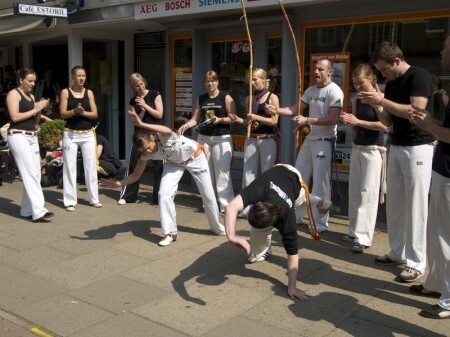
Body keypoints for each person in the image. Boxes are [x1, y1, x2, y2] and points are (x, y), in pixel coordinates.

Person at [358, 41, 435, 283]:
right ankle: (398, 251)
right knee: (396, 202)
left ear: (397, 61)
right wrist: (376, 103)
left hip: (419, 147)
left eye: (384, 69)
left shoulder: (419, 75)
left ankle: (417, 261)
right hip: (398, 145)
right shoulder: (391, 84)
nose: (382, 74)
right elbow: (388, 121)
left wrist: (381, 101)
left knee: (416, 205)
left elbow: (416, 111)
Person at [101, 109, 225, 246]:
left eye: (148, 147)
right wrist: (118, 184)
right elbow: (135, 175)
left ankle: (216, 227)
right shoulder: (145, 154)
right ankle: (170, 233)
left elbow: (164, 128)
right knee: (164, 194)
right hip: (174, 163)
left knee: (208, 196)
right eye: (143, 151)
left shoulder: (165, 136)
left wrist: (142, 123)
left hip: (196, 158)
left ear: (153, 137)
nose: (147, 152)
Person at [224, 164, 331, 301]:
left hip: (294, 179)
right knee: (255, 254)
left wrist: (292, 286)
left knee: (301, 201)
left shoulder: (287, 219)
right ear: (257, 204)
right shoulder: (258, 189)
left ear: (273, 223)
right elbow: (231, 208)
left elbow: (292, 253)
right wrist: (232, 236)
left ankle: (320, 202)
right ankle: (265, 250)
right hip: (279, 170)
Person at [266, 58, 343, 233]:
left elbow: (333, 119)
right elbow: (294, 109)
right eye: (315, 69)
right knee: (298, 178)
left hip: (324, 141)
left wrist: (307, 119)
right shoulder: (310, 90)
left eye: (321, 70)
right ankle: (297, 216)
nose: (316, 72)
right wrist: (276, 110)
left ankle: (320, 223)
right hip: (310, 140)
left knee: (320, 184)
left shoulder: (335, 91)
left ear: (330, 72)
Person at [406, 34, 450, 319]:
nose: (442, 50)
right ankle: (436, 284)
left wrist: (427, 122)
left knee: (445, 236)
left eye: (446, 45)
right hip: (442, 169)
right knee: (436, 234)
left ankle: (447, 300)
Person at [339, 64, 388, 253]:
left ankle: (363, 236)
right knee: (355, 190)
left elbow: (384, 125)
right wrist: (350, 121)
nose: (358, 87)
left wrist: (358, 121)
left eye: (361, 83)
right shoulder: (356, 99)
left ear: (371, 80)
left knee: (368, 193)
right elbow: (355, 126)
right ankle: (353, 230)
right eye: (355, 83)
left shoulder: (378, 98)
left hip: (374, 149)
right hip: (358, 147)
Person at [178, 70, 236, 213]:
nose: (210, 84)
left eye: (213, 81)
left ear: (217, 82)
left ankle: (226, 206)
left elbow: (233, 118)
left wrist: (220, 120)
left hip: (221, 138)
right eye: (207, 81)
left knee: (222, 173)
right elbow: (195, 119)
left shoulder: (226, 97)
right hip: (204, 138)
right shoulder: (201, 98)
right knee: (206, 173)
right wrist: (186, 125)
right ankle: (208, 204)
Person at [230, 68, 280, 218]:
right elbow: (249, 122)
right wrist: (238, 120)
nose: (251, 83)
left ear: (263, 80)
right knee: (248, 173)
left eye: (255, 79)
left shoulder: (272, 98)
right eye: (250, 80)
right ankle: (247, 205)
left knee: (267, 173)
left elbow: (274, 121)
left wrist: (257, 117)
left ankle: (267, 206)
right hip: (251, 139)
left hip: (267, 139)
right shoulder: (249, 98)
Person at [5, 68, 54, 222]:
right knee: (30, 172)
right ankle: (39, 210)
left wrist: (40, 108)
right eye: (30, 81)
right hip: (18, 136)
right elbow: (15, 116)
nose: (33, 84)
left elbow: (35, 120)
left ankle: (26, 210)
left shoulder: (31, 96)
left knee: (36, 173)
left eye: (34, 81)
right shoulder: (14, 94)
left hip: (32, 136)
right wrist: (36, 108)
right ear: (21, 80)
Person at [59, 65, 102, 212]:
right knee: (70, 167)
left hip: (87, 134)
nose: (82, 78)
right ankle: (70, 201)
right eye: (78, 75)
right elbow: (63, 114)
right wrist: (74, 111)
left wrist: (82, 113)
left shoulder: (89, 93)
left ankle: (94, 198)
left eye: (83, 75)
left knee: (90, 166)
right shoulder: (66, 92)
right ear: (72, 77)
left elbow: (95, 114)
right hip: (70, 134)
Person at [118, 73, 163, 206]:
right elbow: (137, 121)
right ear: (133, 87)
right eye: (137, 86)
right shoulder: (133, 101)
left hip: (155, 134)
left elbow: (159, 114)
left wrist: (146, 105)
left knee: (160, 166)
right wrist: (142, 110)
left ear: (145, 82)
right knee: (133, 164)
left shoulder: (155, 94)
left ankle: (158, 197)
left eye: (142, 84)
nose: (141, 87)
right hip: (140, 135)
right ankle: (128, 195)